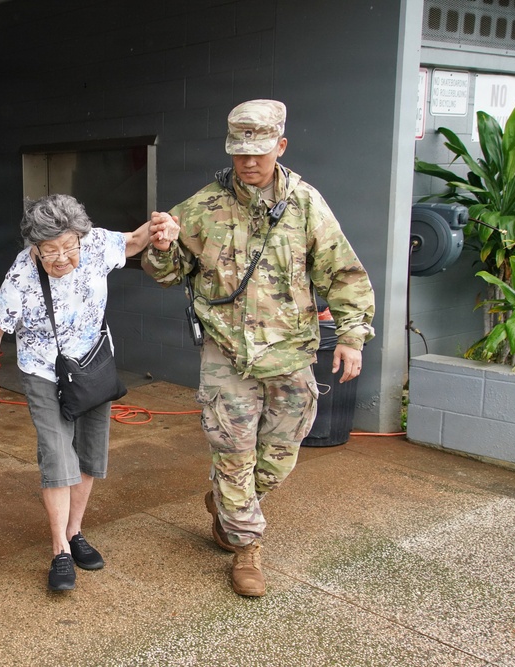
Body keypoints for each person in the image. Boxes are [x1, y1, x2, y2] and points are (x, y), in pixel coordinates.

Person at [142, 100, 376, 597]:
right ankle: (246, 547)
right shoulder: (203, 205)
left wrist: (353, 337)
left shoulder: (306, 203)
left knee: (281, 455)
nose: (249, 162)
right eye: (240, 152)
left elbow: (343, 272)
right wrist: (161, 247)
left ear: (281, 146)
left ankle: (226, 502)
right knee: (233, 453)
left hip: (290, 353)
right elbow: (167, 274)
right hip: (227, 354)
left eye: (260, 152)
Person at [0, 194, 177, 592]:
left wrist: (159, 227)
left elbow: (135, 242)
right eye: (52, 251)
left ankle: (74, 532)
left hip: (92, 366)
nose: (64, 258)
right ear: (35, 247)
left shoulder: (96, 244)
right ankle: (59, 552)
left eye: (70, 247)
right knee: (56, 454)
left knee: (88, 453)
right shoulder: (22, 274)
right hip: (43, 371)